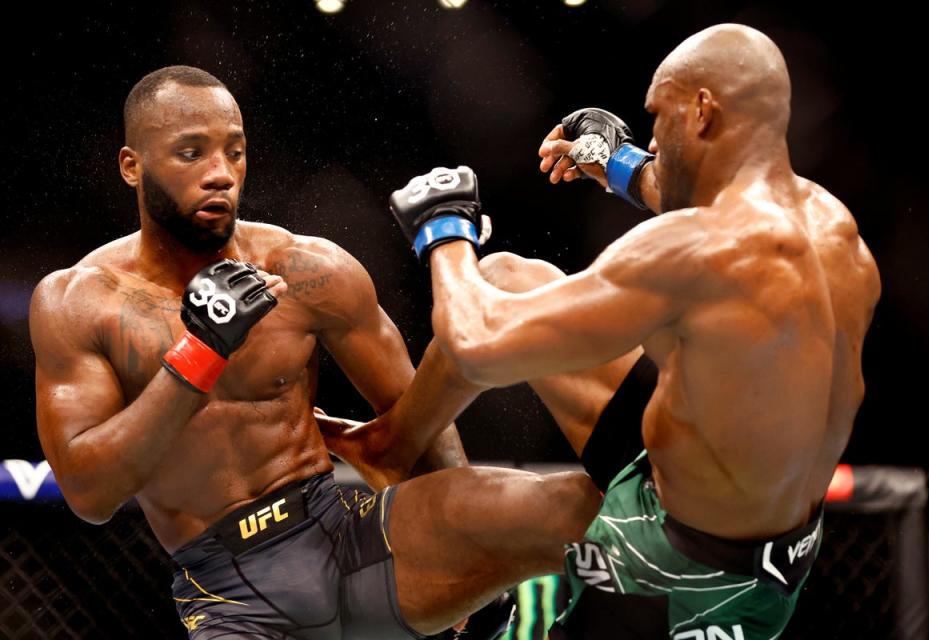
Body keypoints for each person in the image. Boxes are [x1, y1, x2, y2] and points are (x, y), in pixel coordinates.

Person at [29, 65, 602, 640]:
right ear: (133, 166)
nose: (220, 175)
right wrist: (200, 354)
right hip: (227, 591)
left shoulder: (305, 269)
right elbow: (89, 495)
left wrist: (469, 558)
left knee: (578, 513)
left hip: (346, 534)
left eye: (235, 152)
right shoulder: (80, 302)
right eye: (191, 154)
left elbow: (416, 415)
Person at [385, 23, 881, 638]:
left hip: (676, 572)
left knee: (485, 293)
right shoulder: (831, 224)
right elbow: (699, 202)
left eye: (657, 116)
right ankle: (391, 446)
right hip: (754, 513)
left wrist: (444, 234)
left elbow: (478, 341)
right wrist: (616, 163)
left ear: (702, 111)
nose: (650, 136)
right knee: (512, 275)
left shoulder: (695, 253)